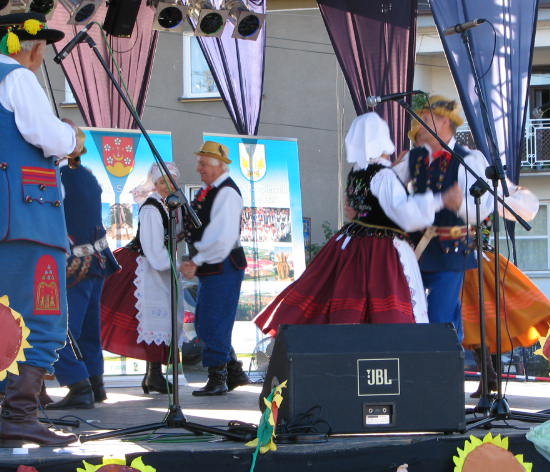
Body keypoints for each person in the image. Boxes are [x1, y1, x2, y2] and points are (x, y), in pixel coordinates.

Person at [254, 112, 462, 335]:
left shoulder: (357, 172)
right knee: (387, 306)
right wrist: (441, 200)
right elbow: (406, 213)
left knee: (349, 300)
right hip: (381, 251)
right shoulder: (384, 176)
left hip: (351, 245)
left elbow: (361, 207)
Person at [0, 12, 77, 445]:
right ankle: (19, 414)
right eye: (42, 46)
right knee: (40, 315)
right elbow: (48, 137)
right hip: (27, 217)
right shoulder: (17, 78)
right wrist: (71, 137)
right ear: (30, 47)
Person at [394, 95, 492, 343]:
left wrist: (459, 204)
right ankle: (443, 356)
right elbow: (389, 190)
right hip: (415, 250)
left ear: (444, 121)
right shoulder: (413, 158)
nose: (420, 125)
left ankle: (446, 360)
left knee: (440, 317)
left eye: (426, 120)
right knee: (410, 313)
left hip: (451, 251)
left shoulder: (468, 160)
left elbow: (482, 209)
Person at [461, 181, 550, 397]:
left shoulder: (481, 198)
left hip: (475, 262)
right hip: (480, 261)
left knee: (482, 326)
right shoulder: (482, 195)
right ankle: (489, 376)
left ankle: (489, 376)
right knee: (482, 326)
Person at [46, 130, 120, 410]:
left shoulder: (57, 177)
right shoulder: (87, 174)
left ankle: (78, 385)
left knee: (60, 328)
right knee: (89, 327)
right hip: (97, 261)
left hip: (73, 264)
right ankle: (95, 383)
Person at [101, 162, 183, 394]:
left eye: (171, 181)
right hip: (143, 267)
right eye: (163, 182)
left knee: (158, 320)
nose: (168, 186)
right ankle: (151, 376)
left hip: (158, 267)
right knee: (148, 319)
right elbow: (152, 248)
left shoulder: (170, 206)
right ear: (155, 184)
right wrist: (175, 266)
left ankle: (153, 376)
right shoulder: (151, 208)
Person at [180, 142, 250, 397]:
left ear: (220, 166)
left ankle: (219, 377)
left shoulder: (227, 193)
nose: (199, 168)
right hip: (214, 263)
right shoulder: (210, 191)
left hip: (223, 262)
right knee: (209, 320)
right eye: (200, 163)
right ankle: (232, 371)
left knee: (212, 321)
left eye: (204, 164)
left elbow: (222, 237)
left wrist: (196, 261)